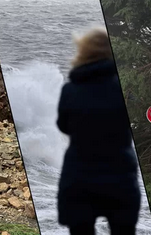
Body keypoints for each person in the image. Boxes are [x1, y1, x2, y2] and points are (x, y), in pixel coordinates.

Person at [56, 27, 141, 235]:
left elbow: (63, 126)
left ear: (84, 51)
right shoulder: (124, 90)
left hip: (79, 174)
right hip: (120, 173)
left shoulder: (70, 89)